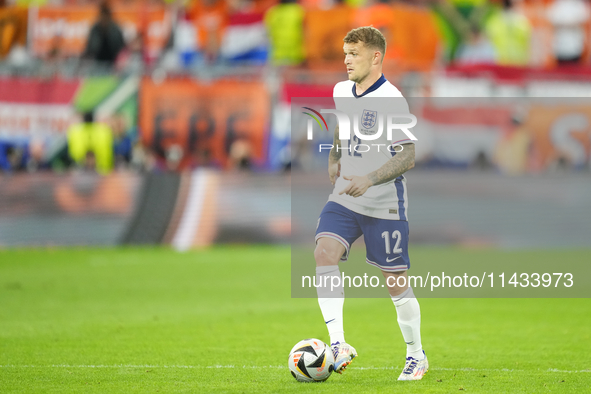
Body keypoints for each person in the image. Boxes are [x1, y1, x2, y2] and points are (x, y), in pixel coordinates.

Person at [314, 26, 427, 381]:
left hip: (383, 204)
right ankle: (337, 345)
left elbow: (407, 155)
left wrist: (370, 178)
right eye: (345, 53)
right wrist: (334, 156)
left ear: (376, 57)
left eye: (354, 54)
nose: (346, 60)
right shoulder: (341, 90)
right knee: (323, 253)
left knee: (395, 282)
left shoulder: (392, 100)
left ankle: (416, 354)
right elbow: (342, 127)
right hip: (346, 196)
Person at [83, 2, 125, 66]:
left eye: (105, 16)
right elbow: (89, 48)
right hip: (96, 63)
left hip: (113, 64)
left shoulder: (115, 30)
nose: (104, 19)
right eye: (102, 16)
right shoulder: (95, 29)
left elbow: (121, 48)